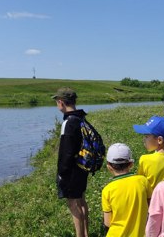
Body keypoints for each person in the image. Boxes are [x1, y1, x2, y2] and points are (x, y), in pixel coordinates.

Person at [52, 87, 89, 237]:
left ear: (61, 102)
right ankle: (86, 233)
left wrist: (62, 173)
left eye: (56, 102)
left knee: (73, 204)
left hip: (72, 169)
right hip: (82, 165)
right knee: (81, 200)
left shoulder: (68, 122)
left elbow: (66, 151)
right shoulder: (81, 117)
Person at [102, 143, 151, 237]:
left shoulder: (107, 190)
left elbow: (108, 223)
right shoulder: (143, 181)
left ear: (109, 166)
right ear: (131, 164)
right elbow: (150, 206)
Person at [133, 116, 164, 193]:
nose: (144, 139)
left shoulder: (145, 160)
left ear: (159, 140)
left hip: (153, 203)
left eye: (146, 136)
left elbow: (140, 185)